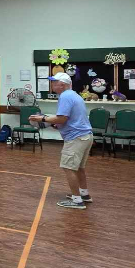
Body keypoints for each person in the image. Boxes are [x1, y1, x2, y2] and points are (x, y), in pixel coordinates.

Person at [29, 73, 94, 209]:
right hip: (85, 136)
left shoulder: (65, 96)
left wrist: (42, 119)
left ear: (62, 85)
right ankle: (84, 194)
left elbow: (62, 118)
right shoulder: (74, 95)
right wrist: (54, 124)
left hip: (76, 138)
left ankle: (77, 201)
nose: (52, 85)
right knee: (79, 168)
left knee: (68, 168)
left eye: (54, 82)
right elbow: (67, 119)